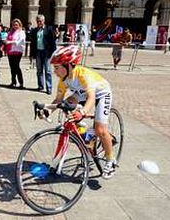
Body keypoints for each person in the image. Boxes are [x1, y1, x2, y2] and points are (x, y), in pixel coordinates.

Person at [49, 45, 116, 179]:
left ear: (68, 65)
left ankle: (110, 160)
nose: (54, 71)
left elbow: (91, 97)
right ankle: (85, 134)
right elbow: (58, 100)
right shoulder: (63, 80)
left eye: (56, 67)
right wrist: (46, 111)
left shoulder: (82, 74)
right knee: (65, 107)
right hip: (81, 94)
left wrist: (83, 112)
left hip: (101, 94)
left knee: (101, 130)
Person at [29, 15, 56, 94]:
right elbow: (32, 43)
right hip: (38, 52)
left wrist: (51, 53)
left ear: (44, 21)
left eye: (40, 21)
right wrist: (31, 54)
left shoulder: (49, 29)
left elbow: (53, 43)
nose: (39, 23)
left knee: (47, 71)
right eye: (37, 21)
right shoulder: (34, 30)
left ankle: (49, 88)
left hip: (46, 53)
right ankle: (40, 86)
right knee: (39, 70)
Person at [4, 18, 26, 89]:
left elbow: (20, 41)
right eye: (13, 25)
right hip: (10, 51)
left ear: (19, 25)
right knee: (12, 67)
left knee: (16, 67)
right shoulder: (10, 32)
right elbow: (7, 39)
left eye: (16, 25)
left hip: (17, 51)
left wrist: (10, 42)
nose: (15, 26)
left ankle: (21, 83)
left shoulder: (21, 32)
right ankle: (13, 82)